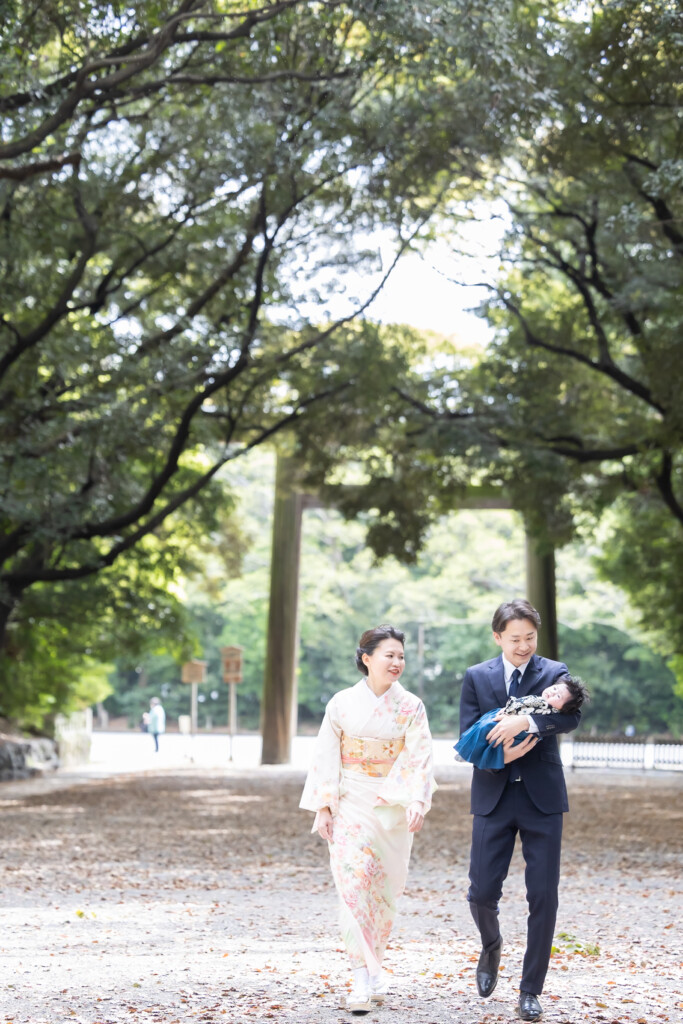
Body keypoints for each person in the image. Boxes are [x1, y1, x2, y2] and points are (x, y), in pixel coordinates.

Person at [300, 624, 436, 1015]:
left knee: (384, 889)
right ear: (366, 658)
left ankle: (376, 967)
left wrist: (416, 800)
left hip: (390, 806)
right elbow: (325, 755)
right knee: (354, 884)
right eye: (388, 655)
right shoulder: (342, 704)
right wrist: (324, 806)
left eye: (401, 656)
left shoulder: (411, 706)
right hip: (350, 803)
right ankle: (360, 975)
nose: (396, 662)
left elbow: (419, 757)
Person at [459, 599, 583, 1022]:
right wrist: (503, 753)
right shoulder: (477, 676)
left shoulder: (554, 672)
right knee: (480, 892)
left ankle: (531, 989)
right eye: (515, 639)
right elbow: (466, 735)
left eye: (530, 638)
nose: (523, 646)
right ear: (497, 637)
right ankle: (491, 945)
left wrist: (527, 724)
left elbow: (571, 718)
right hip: (492, 795)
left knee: (543, 896)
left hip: (542, 799)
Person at [455, 675, 589, 770]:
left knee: (488, 729)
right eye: (554, 689)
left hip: (522, 736)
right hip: (490, 786)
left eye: (558, 697)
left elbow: (572, 719)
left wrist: (524, 721)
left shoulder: (546, 700)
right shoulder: (475, 673)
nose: (552, 693)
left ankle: (468, 753)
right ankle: (469, 752)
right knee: (484, 725)